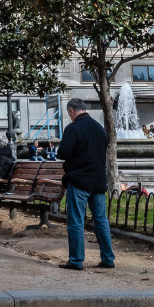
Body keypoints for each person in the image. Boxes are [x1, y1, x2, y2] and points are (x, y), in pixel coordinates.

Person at [56, 99, 114, 271]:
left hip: (79, 179)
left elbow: (63, 153)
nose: (70, 117)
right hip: (98, 180)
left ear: (72, 111)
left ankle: (76, 260)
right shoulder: (100, 129)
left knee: (76, 221)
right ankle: (108, 258)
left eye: (69, 114)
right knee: (101, 220)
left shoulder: (73, 128)